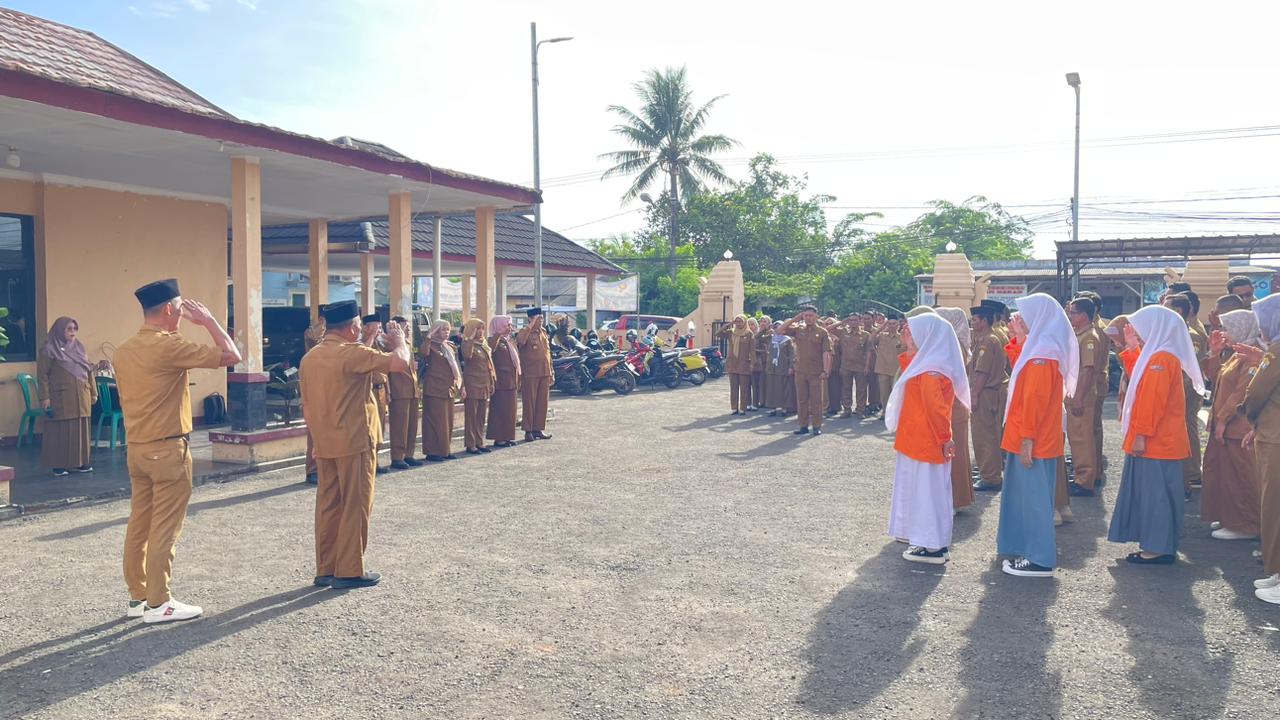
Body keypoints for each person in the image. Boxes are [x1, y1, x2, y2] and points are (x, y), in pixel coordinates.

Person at [116, 279, 241, 621]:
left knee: (139, 524)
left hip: (137, 448)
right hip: (168, 449)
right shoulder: (169, 346)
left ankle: (139, 597)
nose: (184, 315)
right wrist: (209, 321)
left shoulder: (124, 349)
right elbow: (233, 355)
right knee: (164, 528)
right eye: (181, 308)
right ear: (170, 309)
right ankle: (159, 603)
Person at [301, 301, 410, 590]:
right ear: (351, 328)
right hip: (354, 440)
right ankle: (349, 569)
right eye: (359, 327)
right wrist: (400, 341)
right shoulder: (352, 352)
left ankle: (326, 567)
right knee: (355, 503)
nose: (360, 332)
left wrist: (317, 440)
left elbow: (307, 406)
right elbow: (399, 363)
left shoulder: (310, 357)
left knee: (328, 505)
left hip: (326, 441)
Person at [1107, 305, 1205, 564]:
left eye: (1141, 327)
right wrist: (1132, 349)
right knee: (1158, 495)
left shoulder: (1161, 358)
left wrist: (1141, 434)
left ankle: (1157, 549)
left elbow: (1151, 401)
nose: (1138, 332)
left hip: (1156, 442)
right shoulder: (1161, 355)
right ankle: (1158, 545)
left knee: (1155, 497)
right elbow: (1141, 378)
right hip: (1160, 441)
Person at [996, 294, 1077, 578]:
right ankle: (1028, 550)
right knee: (1028, 498)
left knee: (1034, 500)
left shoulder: (1043, 353)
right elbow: (1022, 373)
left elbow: (1035, 400)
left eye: (1026, 314)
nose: (1020, 318)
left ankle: (1040, 560)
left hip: (1032, 438)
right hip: (1030, 435)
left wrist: (1027, 439)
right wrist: (1019, 337)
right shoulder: (1041, 347)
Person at [885, 312, 971, 564]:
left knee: (928, 494)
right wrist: (911, 347)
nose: (908, 335)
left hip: (927, 440)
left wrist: (945, 438)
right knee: (922, 491)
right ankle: (926, 542)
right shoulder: (928, 361)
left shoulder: (932, 368)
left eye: (914, 332)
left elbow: (936, 409)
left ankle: (933, 547)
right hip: (918, 440)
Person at [1201, 310, 1263, 541]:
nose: (1223, 333)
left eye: (1227, 328)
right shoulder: (1238, 354)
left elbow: (1241, 392)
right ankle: (1231, 517)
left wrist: (1223, 419)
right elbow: (1217, 379)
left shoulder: (1251, 356)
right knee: (1225, 475)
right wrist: (1215, 354)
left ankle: (1246, 524)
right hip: (1227, 426)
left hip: (1238, 427)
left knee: (1241, 476)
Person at [1242, 294, 1280, 603]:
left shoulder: (1276, 352)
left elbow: (1256, 393)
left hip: (1275, 436)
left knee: (1275, 507)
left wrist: (1249, 418)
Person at [37, 316, 97, 476]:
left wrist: (94, 392)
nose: (73, 332)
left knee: (80, 429)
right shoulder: (49, 349)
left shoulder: (79, 347)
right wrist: (44, 397)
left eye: (75, 329)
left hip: (82, 394)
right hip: (61, 396)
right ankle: (59, 465)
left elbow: (88, 370)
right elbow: (42, 375)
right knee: (61, 430)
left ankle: (80, 462)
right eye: (69, 329)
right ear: (59, 330)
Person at [1163, 293, 1207, 493]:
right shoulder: (1172, 334)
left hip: (1184, 391)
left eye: (1166, 307)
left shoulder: (1191, 336)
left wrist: (1171, 395)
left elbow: (1189, 371)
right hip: (1174, 390)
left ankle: (1189, 475)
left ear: (1178, 311)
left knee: (1186, 431)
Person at [1065, 297, 1107, 497]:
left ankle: (1084, 480)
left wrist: (1079, 397)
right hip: (1077, 394)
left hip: (1082, 395)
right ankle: (1082, 475)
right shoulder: (1080, 334)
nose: (1070, 315)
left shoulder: (1089, 337)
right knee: (1078, 437)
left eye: (1073, 312)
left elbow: (1087, 370)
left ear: (1083, 315)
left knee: (1082, 438)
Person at [935, 307, 976, 512]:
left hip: (952, 403)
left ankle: (955, 499)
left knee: (953, 454)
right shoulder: (954, 342)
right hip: (954, 403)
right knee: (956, 452)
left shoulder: (952, 344)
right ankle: (955, 498)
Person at [968, 304, 1008, 492]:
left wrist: (974, 394)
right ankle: (989, 472)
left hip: (985, 392)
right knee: (987, 434)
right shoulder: (985, 339)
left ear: (984, 321)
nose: (972, 322)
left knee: (984, 436)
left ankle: (990, 477)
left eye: (975, 320)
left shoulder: (988, 341)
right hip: (986, 391)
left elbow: (982, 372)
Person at [780, 305, 834, 436]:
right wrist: (795, 318)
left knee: (816, 400)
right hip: (800, 371)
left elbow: (826, 353)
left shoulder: (822, 332)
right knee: (802, 400)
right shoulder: (798, 329)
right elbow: (780, 330)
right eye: (806, 315)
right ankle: (803, 425)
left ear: (816, 317)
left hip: (816, 372)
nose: (808, 318)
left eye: (811, 315)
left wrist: (826, 370)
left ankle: (816, 426)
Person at [420, 319, 461, 461]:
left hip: (448, 388)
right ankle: (433, 451)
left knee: (447, 421)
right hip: (434, 388)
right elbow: (423, 353)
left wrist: (460, 384)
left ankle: (445, 450)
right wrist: (429, 337)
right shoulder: (430, 345)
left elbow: (456, 366)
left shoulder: (450, 346)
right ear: (436, 330)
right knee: (435, 421)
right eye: (443, 329)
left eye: (448, 329)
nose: (446, 332)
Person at [386, 315, 423, 470]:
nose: (407, 330)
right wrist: (388, 390)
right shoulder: (389, 344)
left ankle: (409, 454)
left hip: (411, 389)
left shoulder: (407, 344)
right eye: (404, 327)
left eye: (408, 327)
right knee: (399, 426)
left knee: (412, 425)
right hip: (399, 389)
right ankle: (397, 457)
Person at [517, 308, 553, 441]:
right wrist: (530, 326)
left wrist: (551, 372)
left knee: (542, 403)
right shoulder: (524, 332)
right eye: (538, 318)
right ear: (530, 319)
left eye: (542, 318)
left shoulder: (543, 332)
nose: (541, 321)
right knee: (529, 402)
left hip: (544, 372)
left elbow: (547, 353)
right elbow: (520, 341)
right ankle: (528, 430)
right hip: (530, 373)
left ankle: (538, 429)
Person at [361, 314, 391, 475]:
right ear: (366, 328)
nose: (379, 329)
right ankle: (369, 463)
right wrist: (372, 337)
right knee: (370, 429)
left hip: (381, 390)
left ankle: (376, 460)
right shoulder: (360, 344)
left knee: (380, 428)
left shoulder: (380, 344)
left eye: (380, 326)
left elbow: (386, 369)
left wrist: (388, 391)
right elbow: (363, 354)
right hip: (368, 391)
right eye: (376, 327)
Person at [461, 318, 495, 455]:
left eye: (482, 329)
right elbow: (467, 355)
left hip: (484, 383)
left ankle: (479, 442)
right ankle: (471, 444)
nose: (480, 332)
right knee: (471, 416)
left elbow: (489, 365)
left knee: (481, 416)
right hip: (472, 383)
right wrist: (470, 338)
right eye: (477, 329)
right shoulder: (467, 343)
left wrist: (491, 382)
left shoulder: (483, 344)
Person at [487, 315, 522, 448]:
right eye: (507, 325)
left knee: (510, 411)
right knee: (500, 410)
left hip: (512, 380)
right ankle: (499, 438)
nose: (510, 328)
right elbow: (491, 350)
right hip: (501, 381)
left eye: (510, 325)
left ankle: (507, 436)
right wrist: (498, 334)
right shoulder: (492, 339)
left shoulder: (509, 341)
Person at [302, 316, 326, 484]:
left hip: (330, 387)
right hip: (316, 387)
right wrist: (322, 325)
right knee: (314, 432)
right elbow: (314, 338)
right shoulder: (312, 332)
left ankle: (324, 469)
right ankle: (312, 470)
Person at [718, 314, 754, 415]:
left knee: (744, 388)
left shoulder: (749, 333)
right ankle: (734, 408)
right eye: (737, 321)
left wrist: (752, 363)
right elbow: (718, 334)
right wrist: (729, 324)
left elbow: (752, 350)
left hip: (744, 363)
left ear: (745, 322)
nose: (738, 323)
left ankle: (743, 408)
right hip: (732, 363)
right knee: (733, 388)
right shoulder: (731, 332)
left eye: (740, 321)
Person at [872, 318, 902, 420]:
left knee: (895, 394)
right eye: (889, 324)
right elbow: (870, 339)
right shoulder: (882, 336)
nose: (891, 326)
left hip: (896, 370)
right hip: (882, 369)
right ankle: (885, 411)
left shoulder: (901, 337)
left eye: (894, 323)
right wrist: (881, 327)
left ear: (898, 325)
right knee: (884, 393)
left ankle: (895, 413)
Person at [765, 321, 797, 417]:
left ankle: (784, 408)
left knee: (784, 388)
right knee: (772, 388)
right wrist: (767, 328)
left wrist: (791, 366)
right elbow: (757, 337)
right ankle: (773, 408)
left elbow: (792, 354)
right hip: (772, 367)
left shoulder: (787, 340)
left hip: (783, 367)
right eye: (776, 328)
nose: (778, 329)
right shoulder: (771, 338)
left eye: (780, 327)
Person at [753, 315, 772, 410]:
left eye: (764, 321)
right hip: (761, 361)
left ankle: (768, 401)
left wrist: (759, 351)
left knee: (768, 382)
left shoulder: (771, 332)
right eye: (761, 321)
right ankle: (762, 401)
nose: (762, 323)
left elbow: (768, 346)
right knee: (761, 382)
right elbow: (755, 338)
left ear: (769, 323)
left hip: (769, 360)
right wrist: (761, 331)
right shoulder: (759, 332)